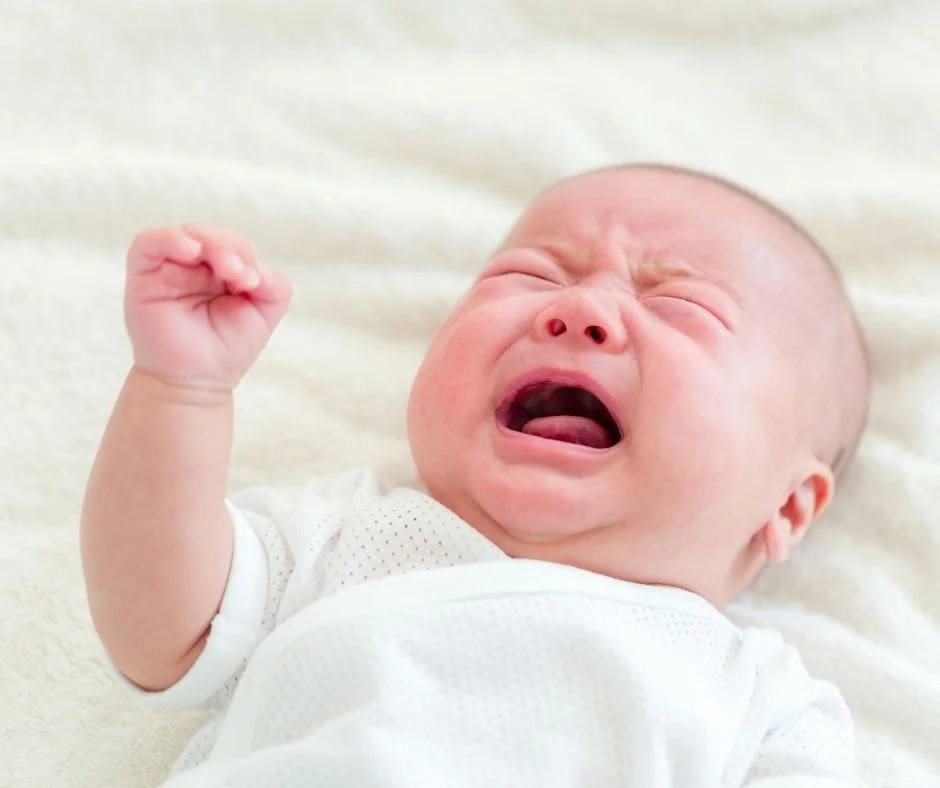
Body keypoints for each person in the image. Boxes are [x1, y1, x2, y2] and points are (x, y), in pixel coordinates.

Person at [80, 164, 870, 786]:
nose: (582, 307)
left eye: (679, 304)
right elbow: (162, 632)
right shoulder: (345, 538)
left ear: (789, 507)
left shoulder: (760, 701)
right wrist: (181, 391)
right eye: (531, 274)